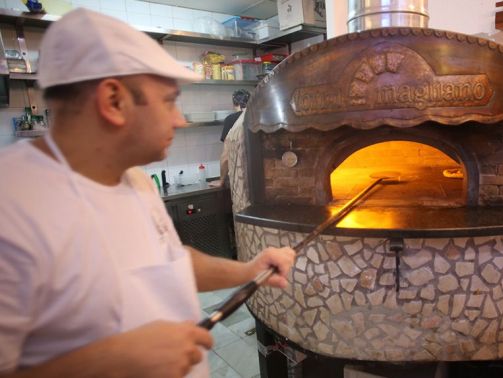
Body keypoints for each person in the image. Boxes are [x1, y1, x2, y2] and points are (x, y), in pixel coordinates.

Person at [0, 8, 295, 378]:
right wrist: (110, 362)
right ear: (113, 101)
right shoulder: (11, 206)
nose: (180, 119)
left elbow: (170, 262)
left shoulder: (134, 180)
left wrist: (248, 270)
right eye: (169, 100)